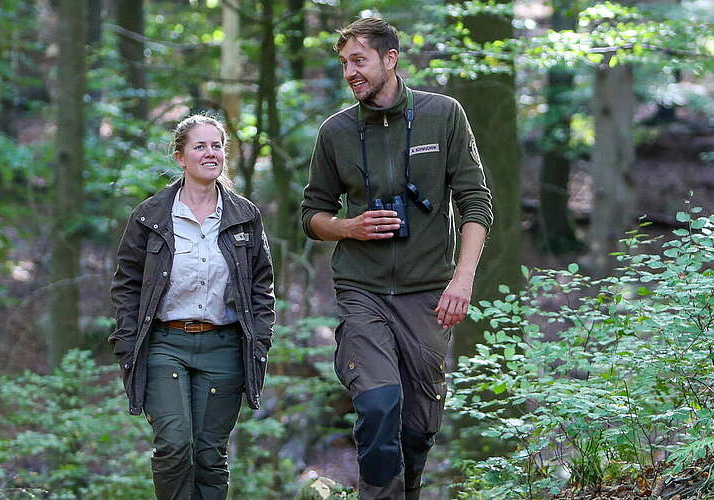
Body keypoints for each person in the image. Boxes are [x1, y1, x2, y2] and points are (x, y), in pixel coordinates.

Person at [300, 17, 494, 500]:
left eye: (359, 60)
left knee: (416, 429)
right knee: (378, 405)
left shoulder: (443, 114)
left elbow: (475, 201)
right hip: (362, 290)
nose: (350, 72)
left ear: (390, 60)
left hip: (428, 293)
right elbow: (311, 215)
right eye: (344, 63)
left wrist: (462, 280)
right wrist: (349, 227)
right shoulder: (336, 132)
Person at [110, 115, 275, 500]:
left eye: (216, 146)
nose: (210, 153)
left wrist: (261, 340)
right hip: (165, 344)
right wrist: (126, 341)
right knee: (173, 444)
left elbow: (262, 286)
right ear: (180, 156)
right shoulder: (151, 215)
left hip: (225, 347)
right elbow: (127, 284)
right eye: (200, 146)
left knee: (209, 455)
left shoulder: (245, 216)